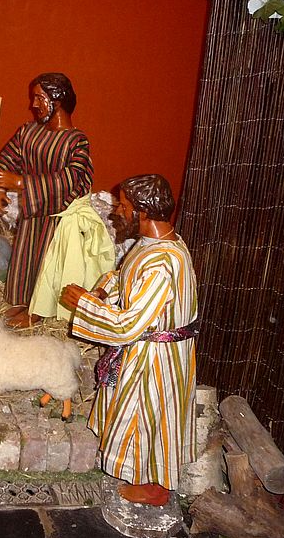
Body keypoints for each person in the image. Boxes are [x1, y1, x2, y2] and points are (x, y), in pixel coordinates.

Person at [60, 174, 198, 507]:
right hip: (146, 349)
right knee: (138, 413)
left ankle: (156, 487)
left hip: (157, 358)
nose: (116, 211)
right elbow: (124, 277)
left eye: (123, 206)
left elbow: (128, 325)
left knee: (149, 417)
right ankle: (136, 468)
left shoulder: (163, 263)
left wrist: (85, 304)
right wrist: (102, 291)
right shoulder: (152, 244)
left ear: (143, 212)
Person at [0, 72, 94, 327]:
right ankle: (27, 301)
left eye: (39, 98)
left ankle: (40, 309)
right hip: (33, 213)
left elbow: (72, 177)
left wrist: (20, 183)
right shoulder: (28, 132)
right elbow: (6, 160)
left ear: (57, 99)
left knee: (48, 263)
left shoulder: (76, 141)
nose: (33, 105)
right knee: (27, 259)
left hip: (58, 218)